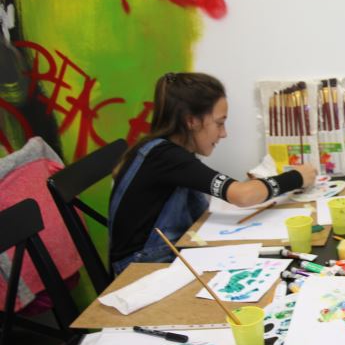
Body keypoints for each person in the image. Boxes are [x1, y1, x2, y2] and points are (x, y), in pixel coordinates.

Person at [109, 72, 316, 275]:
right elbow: (242, 195)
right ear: (191, 121)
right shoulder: (166, 157)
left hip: (168, 251)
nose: (223, 133)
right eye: (219, 123)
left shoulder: (169, 152)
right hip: (139, 268)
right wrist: (296, 177)